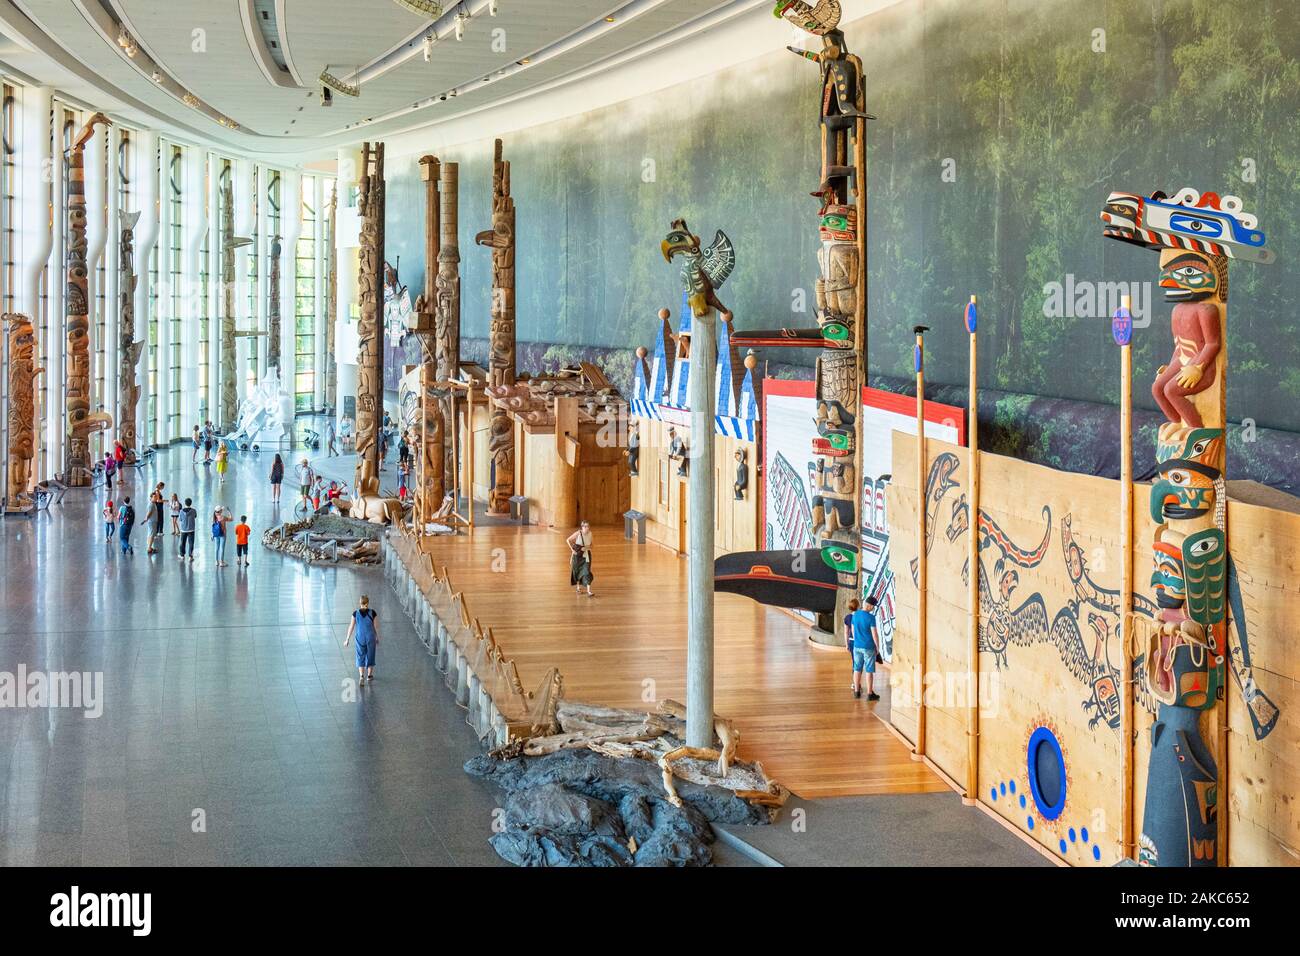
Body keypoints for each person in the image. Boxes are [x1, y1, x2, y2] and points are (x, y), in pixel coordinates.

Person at [849, 596, 882, 701]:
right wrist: (877, 647)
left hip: (857, 646)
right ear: (870, 605)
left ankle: (857, 691)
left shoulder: (855, 615)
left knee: (857, 669)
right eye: (873, 606)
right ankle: (869, 693)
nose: (873, 608)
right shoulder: (871, 618)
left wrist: (857, 640)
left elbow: (853, 631)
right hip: (868, 647)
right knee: (869, 670)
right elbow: (874, 634)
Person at [343, 595, 380, 685]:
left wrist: (347, 639)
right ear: (368, 603)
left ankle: (361, 676)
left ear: (360, 603)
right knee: (370, 655)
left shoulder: (355, 614)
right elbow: (376, 627)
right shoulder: (373, 613)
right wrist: (377, 636)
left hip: (360, 638)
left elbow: (351, 627)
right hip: (370, 637)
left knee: (360, 656)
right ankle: (369, 676)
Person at [566, 520, 595, 597]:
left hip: (586, 555)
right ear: (582, 527)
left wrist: (586, 547)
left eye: (588, 526)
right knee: (577, 571)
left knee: (587, 571)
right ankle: (578, 588)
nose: (587, 528)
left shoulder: (590, 534)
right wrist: (572, 550)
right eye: (585, 526)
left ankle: (589, 591)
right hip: (577, 556)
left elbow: (592, 546)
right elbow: (568, 540)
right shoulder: (578, 533)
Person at [146, 483, 166, 554]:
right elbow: (149, 512)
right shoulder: (152, 504)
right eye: (154, 497)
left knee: (150, 533)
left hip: (152, 520)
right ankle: (149, 548)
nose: (155, 498)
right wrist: (164, 501)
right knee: (152, 533)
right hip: (152, 521)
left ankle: (149, 546)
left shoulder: (152, 504)